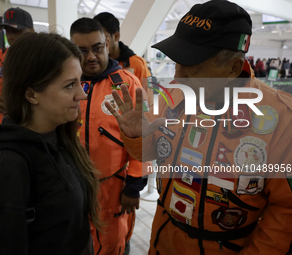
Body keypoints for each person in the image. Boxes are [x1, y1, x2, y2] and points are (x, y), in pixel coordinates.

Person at [105, 1, 292, 254]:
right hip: (163, 238)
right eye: (176, 63)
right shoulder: (173, 94)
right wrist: (135, 135)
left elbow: (286, 209)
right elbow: (152, 152)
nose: (177, 77)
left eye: (192, 67)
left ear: (233, 68)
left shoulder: (281, 118)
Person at [0, 32, 100, 255]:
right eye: (70, 85)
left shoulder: (60, 137)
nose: (82, 95)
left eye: (80, 82)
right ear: (31, 94)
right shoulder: (6, 168)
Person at [70, 18, 147, 255]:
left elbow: (145, 139)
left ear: (106, 43)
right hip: (72, 183)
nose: (91, 56)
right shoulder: (66, 84)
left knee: (113, 241)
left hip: (114, 185)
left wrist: (134, 185)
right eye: (82, 51)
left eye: (97, 48)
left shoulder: (126, 84)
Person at [93, 12, 151, 84]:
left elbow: (148, 93)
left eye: (103, 39)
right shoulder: (93, 64)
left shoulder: (138, 64)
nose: (98, 44)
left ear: (116, 36)